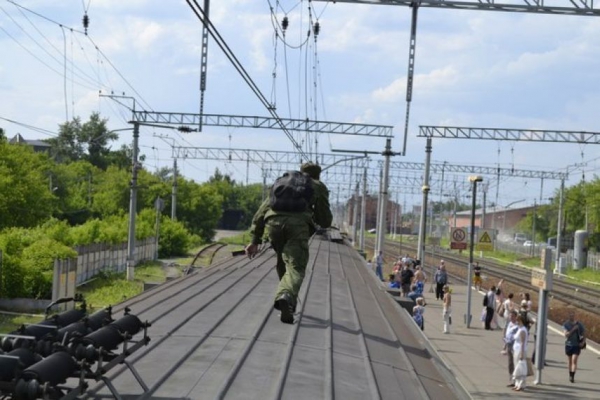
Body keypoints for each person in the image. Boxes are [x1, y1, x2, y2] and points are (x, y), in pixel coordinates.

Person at [245, 163, 332, 324]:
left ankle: (289, 302)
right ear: (318, 175)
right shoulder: (318, 186)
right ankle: (285, 295)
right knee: (296, 267)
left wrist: (254, 241)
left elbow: (260, 212)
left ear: (302, 171)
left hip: (273, 225)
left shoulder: (283, 183)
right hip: (296, 227)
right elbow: (325, 220)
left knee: (282, 262)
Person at [563, 310, 585, 383]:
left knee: (574, 360)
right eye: (570, 315)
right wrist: (573, 329)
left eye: (573, 315)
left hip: (576, 345)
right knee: (569, 361)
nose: (571, 317)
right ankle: (570, 374)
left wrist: (583, 342)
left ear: (575, 316)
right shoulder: (566, 324)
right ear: (568, 316)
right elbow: (566, 335)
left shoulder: (579, 324)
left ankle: (572, 376)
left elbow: (584, 334)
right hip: (569, 345)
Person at [512, 314, 529, 391]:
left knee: (521, 368)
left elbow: (522, 342)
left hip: (520, 350)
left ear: (521, 321)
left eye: (517, 320)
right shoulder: (519, 329)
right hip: (516, 350)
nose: (516, 322)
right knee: (517, 367)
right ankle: (517, 383)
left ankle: (521, 384)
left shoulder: (522, 330)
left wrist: (522, 353)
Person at [503, 310, 520, 387]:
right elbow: (507, 334)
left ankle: (516, 380)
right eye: (510, 316)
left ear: (516, 317)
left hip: (515, 346)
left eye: (513, 316)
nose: (511, 317)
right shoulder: (509, 324)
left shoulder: (517, 326)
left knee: (515, 363)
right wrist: (505, 345)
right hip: (509, 345)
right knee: (510, 363)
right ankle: (511, 379)